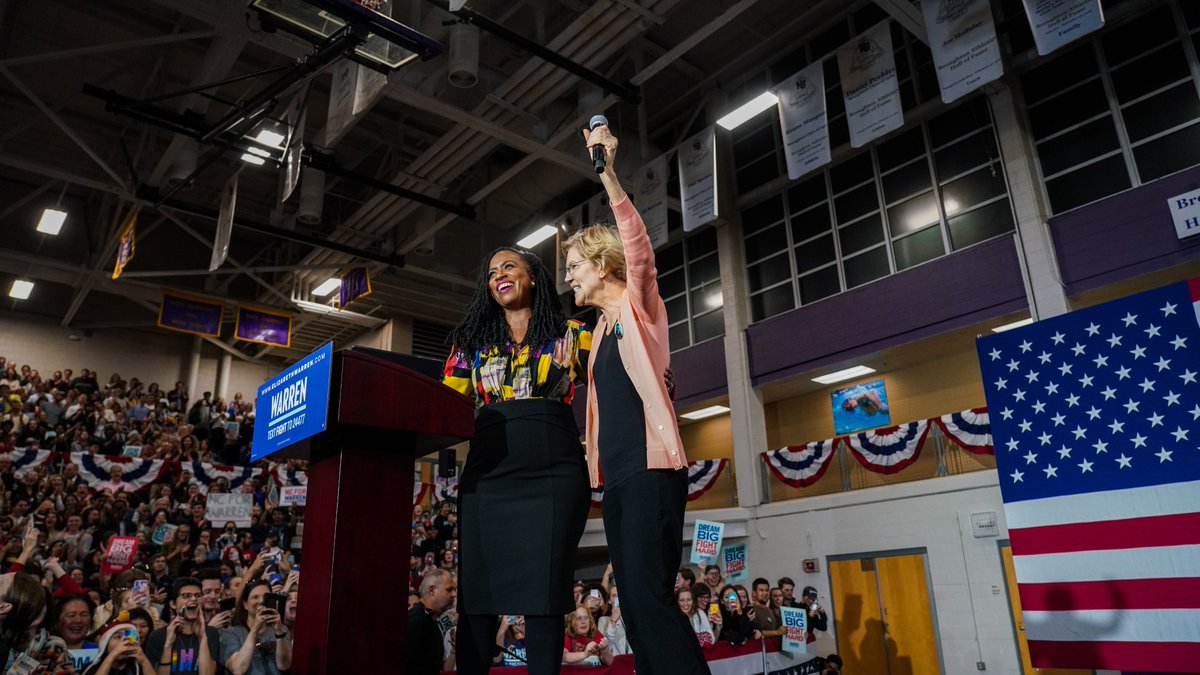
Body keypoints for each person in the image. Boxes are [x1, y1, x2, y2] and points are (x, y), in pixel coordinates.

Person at [564, 122, 709, 675]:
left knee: (650, 599)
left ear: (602, 266)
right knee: (636, 603)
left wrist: (609, 176)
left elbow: (640, 251)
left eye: (575, 267)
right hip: (620, 479)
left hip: (652, 474)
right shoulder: (599, 330)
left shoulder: (637, 308)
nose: (570, 278)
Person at [442, 240, 593, 675]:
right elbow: (443, 406)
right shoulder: (468, 343)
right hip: (488, 476)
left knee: (545, 592)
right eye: (491, 274)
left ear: (533, 276)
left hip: (554, 471)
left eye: (508, 267)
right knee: (479, 592)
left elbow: (616, 378)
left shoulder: (573, 334)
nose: (498, 277)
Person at [143, 577, 220, 675]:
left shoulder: (211, 633)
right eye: (186, 596)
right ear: (173, 604)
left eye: (198, 595)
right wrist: (168, 645)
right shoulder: (157, 636)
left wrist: (202, 638)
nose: (193, 599)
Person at [218, 579, 291, 675]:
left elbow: (284, 666)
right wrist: (255, 629)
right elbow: (237, 669)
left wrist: (279, 633)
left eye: (266, 596)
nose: (261, 601)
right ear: (245, 604)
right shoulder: (230, 633)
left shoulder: (282, 630)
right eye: (255, 597)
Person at [407, 569, 456, 675]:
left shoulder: (430, 620)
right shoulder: (416, 621)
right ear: (432, 590)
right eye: (449, 590)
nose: (454, 595)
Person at [82, 621, 156, 675]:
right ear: (105, 644)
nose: (125, 640)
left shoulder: (138, 667)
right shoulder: (92, 667)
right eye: (118, 637)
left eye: (129, 636)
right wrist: (112, 656)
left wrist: (144, 662)